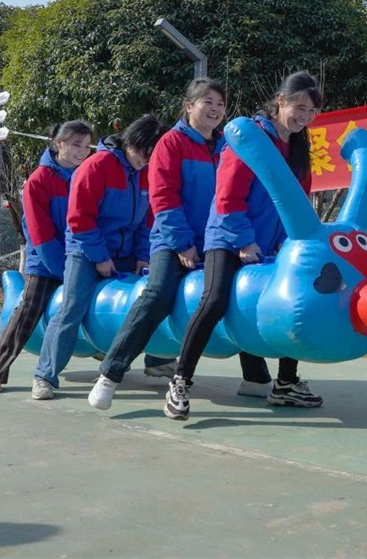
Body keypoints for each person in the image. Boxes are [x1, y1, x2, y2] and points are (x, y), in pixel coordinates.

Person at [88, 78, 273, 410]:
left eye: (220, 104)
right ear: (188, 107)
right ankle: (111, 373)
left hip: (218, 239)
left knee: (238, 293)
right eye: (207, 102)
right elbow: (163, 198)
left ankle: (255, 377)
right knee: (157, 295)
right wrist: (182, 244)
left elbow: (237, 196)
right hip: (172, 242)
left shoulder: (228, 145)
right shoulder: (171, 143)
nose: (215, 109)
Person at [164, 71, 326, 420]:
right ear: (280, 101)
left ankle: (286, 383)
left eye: (311, 112)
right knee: (214, 302)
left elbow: (299, 202)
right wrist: (243, 241)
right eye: (299, 108)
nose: (304, 117)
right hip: (227, 237)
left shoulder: (298, 147)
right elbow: (227, 197)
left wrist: (288, 243)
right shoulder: (250, 137)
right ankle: (180, 381)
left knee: (292, 300)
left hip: (272, 243)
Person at [31, 114, 166, 399]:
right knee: (71, 309)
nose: (147, 160)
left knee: (155, 298)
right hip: (85, 249)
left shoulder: (146, 173)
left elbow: (147, 221)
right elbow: (79, 220)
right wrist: (100, 258)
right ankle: (45, 375)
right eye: (144, 152)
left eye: (153, 155)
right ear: (131, 144)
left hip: (126, 252)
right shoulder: (97, 166)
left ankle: (158, 359)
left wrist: (143, 256)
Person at [0, 120, 93, 393]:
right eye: (76, 144)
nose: (82, 151)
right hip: (45, 263)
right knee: (28, 311)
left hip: (80, 259)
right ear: (59, 144)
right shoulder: (38, 181)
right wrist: (64, 270)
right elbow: (39, 234)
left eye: (87, 146)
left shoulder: (86, 176)